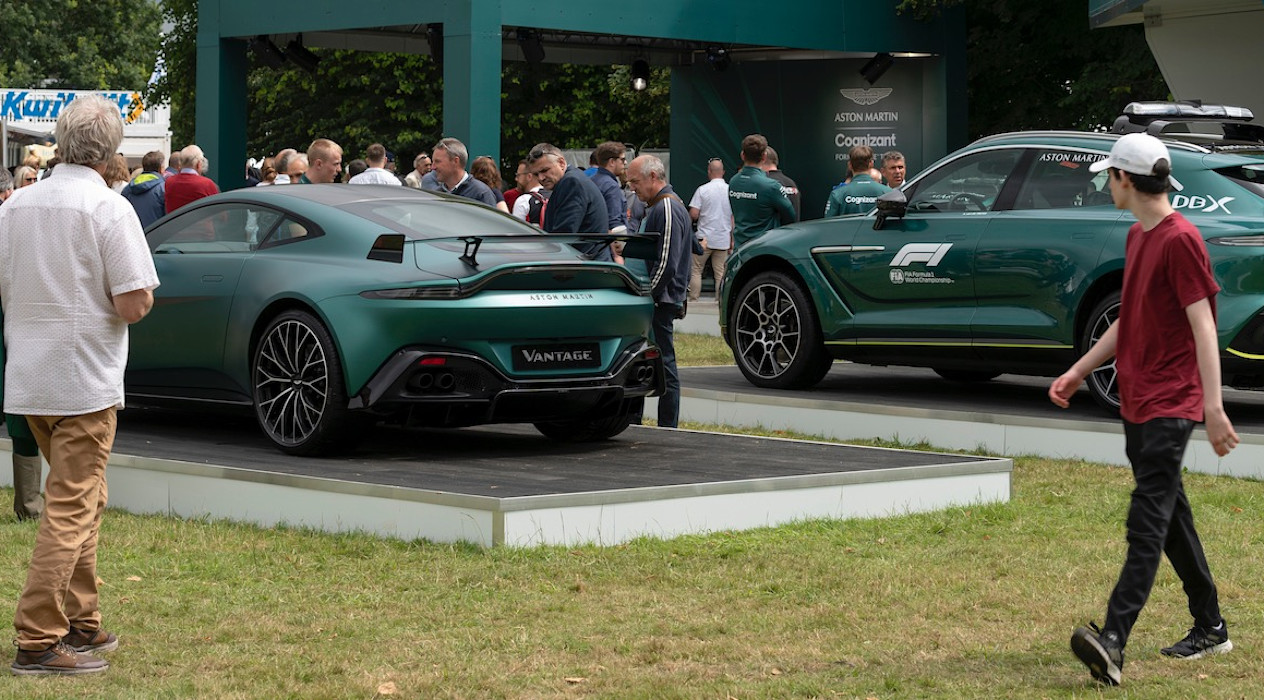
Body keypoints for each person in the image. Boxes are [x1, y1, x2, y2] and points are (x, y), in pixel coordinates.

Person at [1049, 133, 1237, 687]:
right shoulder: (1139, 237)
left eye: (1109, 177)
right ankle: (1211, 627)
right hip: (1137, 399)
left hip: (1169, 404)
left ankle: (1112, 639)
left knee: (1147, 521)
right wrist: (1081, 369)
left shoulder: (1182, 239)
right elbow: (1129, 317)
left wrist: (1213, 406)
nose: (1107, 185)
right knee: (1172, 515)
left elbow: (1204, 325)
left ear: (1125, 180)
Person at [0, 93, 159, 676]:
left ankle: (81, 622)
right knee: (71, 506)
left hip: (31, 377)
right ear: (110, 149)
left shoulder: (15, 206)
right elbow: (134, 302)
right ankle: (39, 639)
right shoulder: (109, 208)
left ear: (61, 141)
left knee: (82, 498)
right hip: (84, 380)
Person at [626, 155, 691, 428]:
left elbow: (667, 263)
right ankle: (641, 419)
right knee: (648, 361)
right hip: (656, 298)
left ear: (653, 177)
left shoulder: (665, 207)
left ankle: (667, 425)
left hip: (657, 301)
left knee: (664, 364)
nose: (632, 188)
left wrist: (648, 296)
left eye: (635, 182)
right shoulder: (660, 206)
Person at [526, 142, 611, 261]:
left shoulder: (571, 182)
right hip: (586, 266)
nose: (541, 178)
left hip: (583, 269)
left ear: (561, 163)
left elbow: (563, 237)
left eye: (545, 170)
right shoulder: (571, 180)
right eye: (536, 174)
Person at [728, 134, 795, 247]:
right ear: (764, 157)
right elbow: (790, 216)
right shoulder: (771, 186)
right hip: (764, 248)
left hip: (740, 249)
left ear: (742, 155)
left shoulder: (733, 181)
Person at [688, 157, 733, 302]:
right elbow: (733, 218)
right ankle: (719, 300)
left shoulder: (702, 190)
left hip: (704, 238)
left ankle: (694, 299)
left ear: (709, 172)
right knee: (720, 273)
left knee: (696, 270)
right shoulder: (730, 191)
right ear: (723, 172)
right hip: (723, 238)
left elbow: (694, 214)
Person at [824, 145, 889, 217]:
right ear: (871, 164)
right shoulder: (888, 193)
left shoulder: (838, 194)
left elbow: (828, 224)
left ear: (849, 165)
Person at [431, 138, 499, 207]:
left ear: (455, 161)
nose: (433, 167)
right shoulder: (437, 194)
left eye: (437, 161)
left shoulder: (480, 194)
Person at [164, 145, 220, 213]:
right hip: (201, 223)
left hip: (175, 223)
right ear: (199, 164)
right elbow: (219, 213)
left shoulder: (169, 182)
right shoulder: (207, 184)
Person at [589, 141, 630, 234]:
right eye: (622, 159)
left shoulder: (592, 180)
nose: (626, 163)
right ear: (612, 162)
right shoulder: (611, 186)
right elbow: (614, 223)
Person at [120, 150, 167, 228]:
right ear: (161, 169)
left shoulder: (127, 190)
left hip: (134, 236)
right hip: (156, 236)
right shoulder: (163, 189)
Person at [761, 147, 801, 222]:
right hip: (793, 231)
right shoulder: (790, 182)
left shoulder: (765, 183)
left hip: (774, 232)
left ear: (763, 159)